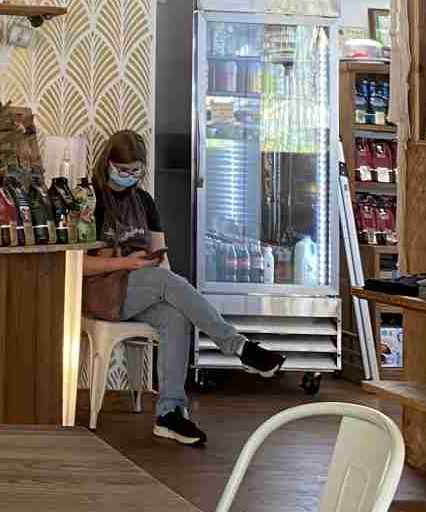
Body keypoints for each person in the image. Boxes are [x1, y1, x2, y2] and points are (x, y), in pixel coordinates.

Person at [88, 128, 285, 448]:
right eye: (122, 170)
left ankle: (169, 413)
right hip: (104, 292)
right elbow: (80, 265)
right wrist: (129, 264)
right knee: (167, 282)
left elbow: (160, 257)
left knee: (175, 316)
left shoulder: (144, 202)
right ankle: (238, 347)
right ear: (108, 163)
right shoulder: (92, 198)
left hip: (141, 287)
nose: (129, 176)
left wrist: (165, 284)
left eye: (135, 171)